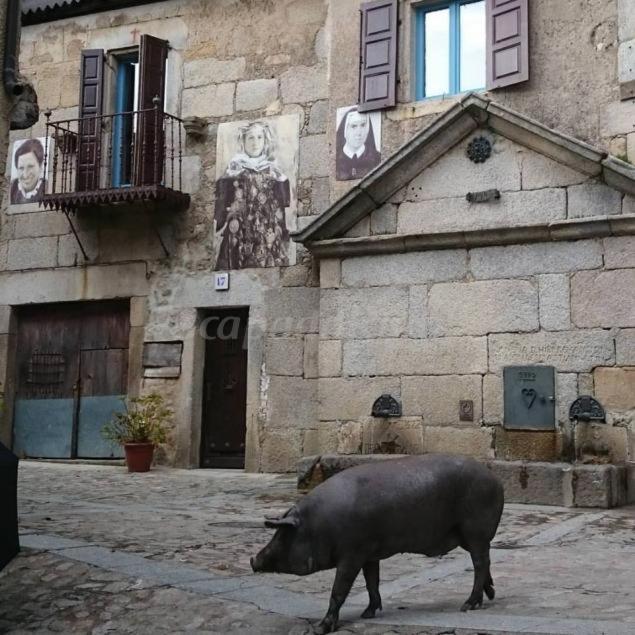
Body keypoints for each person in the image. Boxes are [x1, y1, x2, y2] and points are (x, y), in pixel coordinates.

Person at [214, 121, 291, 270]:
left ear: (265, 140)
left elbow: (282, 200)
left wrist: (280, 180)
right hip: (240, 226)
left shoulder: (272, 168)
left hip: (266, 225)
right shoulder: (234, 167)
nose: (255, 143)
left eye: (259, 137)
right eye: (250, 138)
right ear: (243, 141)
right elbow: (222, 197)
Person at [335, 107, 381, 181]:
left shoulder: (377, 158)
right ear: (345, 130)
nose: (359, 133)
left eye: (363, 125)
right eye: (353, 126)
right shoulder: (335, 159)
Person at [10, 138, 46, 205]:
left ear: (40, 167)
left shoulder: (46, 188)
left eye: (30, 166)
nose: (25, 174)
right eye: (21, 168)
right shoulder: (12, 188)